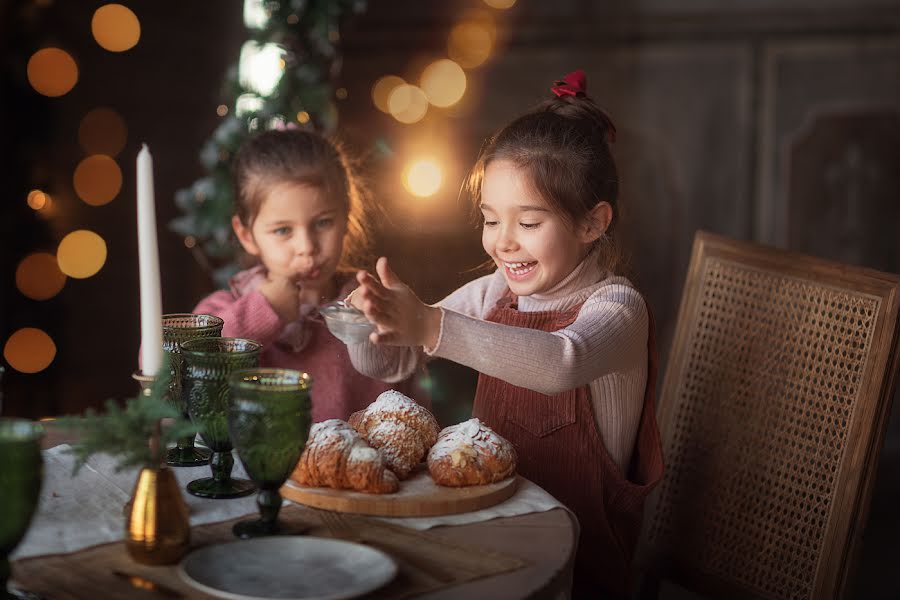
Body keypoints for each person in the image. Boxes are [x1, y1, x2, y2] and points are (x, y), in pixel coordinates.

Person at [346, 71, 664, 599]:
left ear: (592, 223)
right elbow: (397, 363)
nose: (503, 243)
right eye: (491, 220)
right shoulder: (497, 292)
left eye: (529, 223)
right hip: (490, 541)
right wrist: (368, 325)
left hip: (580, 568)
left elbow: (561, 362)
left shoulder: (618, 309)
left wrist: (428, 324)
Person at [193, 128, 428, 423]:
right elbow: (178, 373)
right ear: (246, 234)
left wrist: (379, 321)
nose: (307, 248)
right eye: (282, 230)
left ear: (346, 216)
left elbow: (414, 402)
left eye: (322, 223)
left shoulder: (373, 303)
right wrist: (261, 312)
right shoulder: (223, 313)